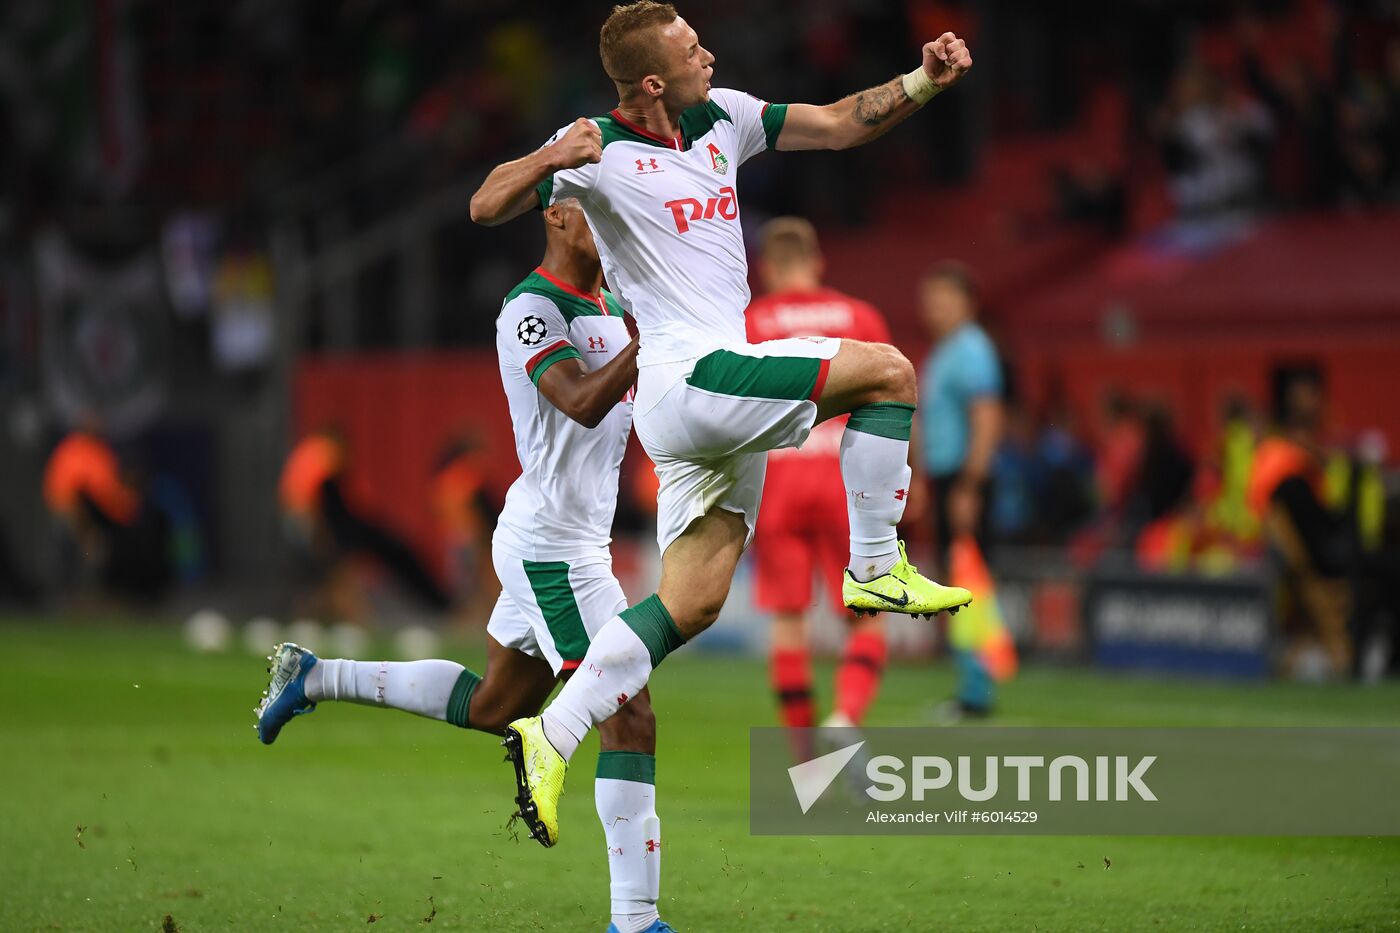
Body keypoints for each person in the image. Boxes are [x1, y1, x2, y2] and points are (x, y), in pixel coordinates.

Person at [470, 1, 974, 850]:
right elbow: (485, 205)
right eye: (692, 47)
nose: (711, 52)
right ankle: (878, 567)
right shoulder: (597, 144)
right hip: (687, 374)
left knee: (692, 603)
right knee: (889, 370)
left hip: (707, 405)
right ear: (653, 79)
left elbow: (842, 123)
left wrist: (925, 79)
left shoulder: (727, 118)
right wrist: (558, 155)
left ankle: (548, 737)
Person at [257, 199, 670, 933]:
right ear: (559, 217)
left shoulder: (612, 303)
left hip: (566, 537)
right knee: (626, 710)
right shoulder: (531, 309)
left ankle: (314, 675)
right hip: (555, 550)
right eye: (596, 211)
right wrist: (650, 341)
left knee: (495, 707)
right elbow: (576, 398)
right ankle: (635, 922)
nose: (613, 225)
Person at [745, 217, 900, 736]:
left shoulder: (749, 323)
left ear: (765, 268)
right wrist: (906, 478)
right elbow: (895, 401)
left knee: (789, 622)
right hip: (847, 480)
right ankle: (845, 716)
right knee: (869, 611)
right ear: (817, 260)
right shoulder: (860, 316)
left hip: (778, 479)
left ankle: (809, 766)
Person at [916, 262, 1005, 716]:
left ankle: (977, 689)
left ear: (967, 303)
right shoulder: (945, 351)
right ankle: (973, 683)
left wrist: (970, 484)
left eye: (944, 299)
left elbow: (987, 416)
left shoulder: (971, 349)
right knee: (960, 579)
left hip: (964, 479)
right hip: (948, 479)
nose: (934, 309)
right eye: (930, 300)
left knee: (968, 581)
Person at [279, 426, 454, 616]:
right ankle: (438, 604)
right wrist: (325, 540)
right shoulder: (325, 455)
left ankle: (323, 615)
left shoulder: (306, 455)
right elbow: (314, 509)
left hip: (305, 527)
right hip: (314, 529)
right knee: (340, 575)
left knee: (331, 577)